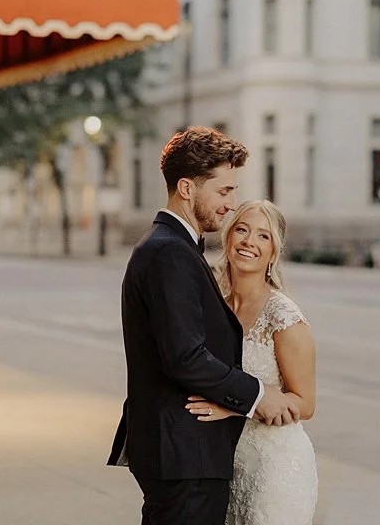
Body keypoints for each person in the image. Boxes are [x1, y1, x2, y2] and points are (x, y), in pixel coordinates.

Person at [108, 127, 300, 525]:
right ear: (186, 188)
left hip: (181, 452)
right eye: (224, 191)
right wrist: (258, 394)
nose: (230, 204)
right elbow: (184, 356)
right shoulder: (169, 253)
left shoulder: (169, 247)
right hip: (183, 454)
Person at [186, 200, 318, 525]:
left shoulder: (284, 317)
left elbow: (306, 403)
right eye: (242, 230)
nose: (249, 242)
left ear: (273, 253)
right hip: (227, 465)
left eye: (263, 236)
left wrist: (234, 406)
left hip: (275, 468)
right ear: (228, 238)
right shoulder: (214, 307)